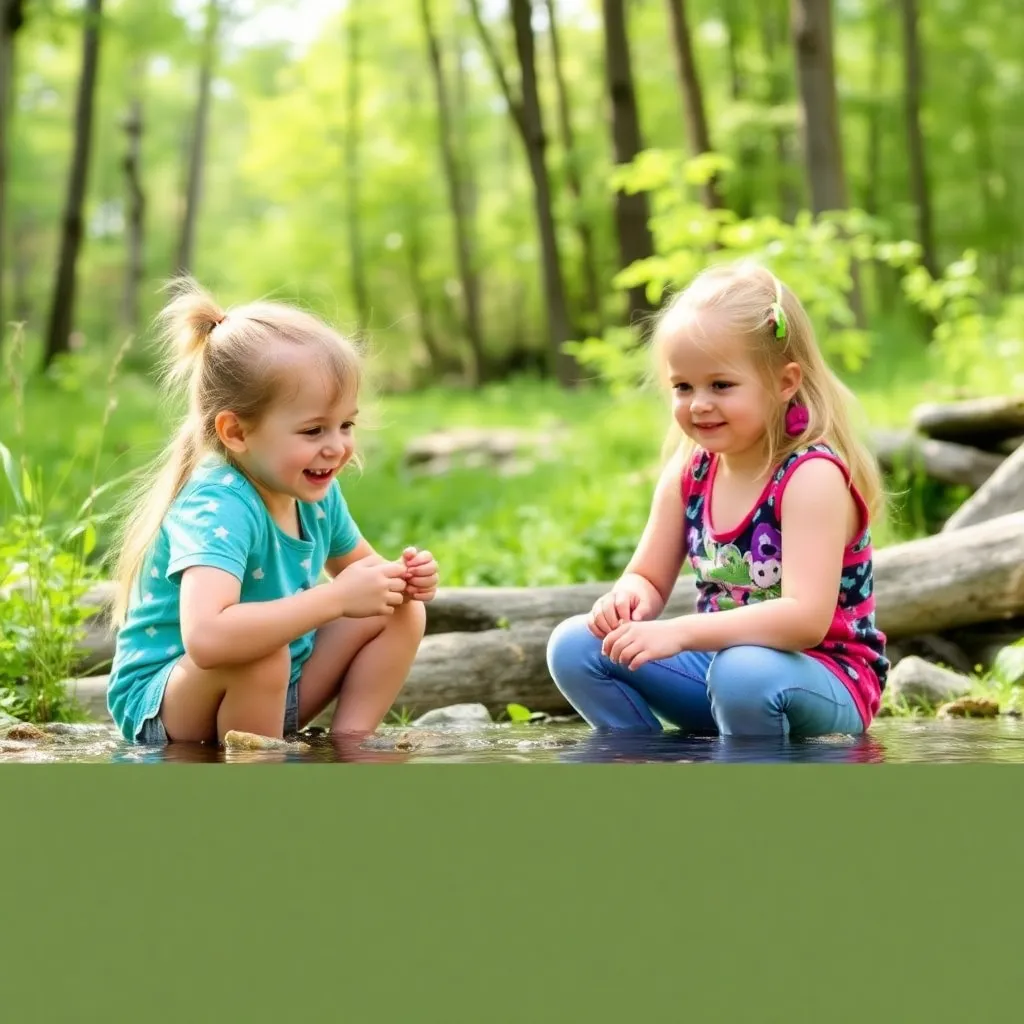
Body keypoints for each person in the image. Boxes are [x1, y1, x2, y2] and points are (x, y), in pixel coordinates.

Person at [546, 261, 888, 739]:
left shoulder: (810, 476)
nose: (699, 403)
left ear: (785, 382)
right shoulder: (691, 472)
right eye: (683, 386)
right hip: (722, 675)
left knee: (743, 672)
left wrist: (679, 632)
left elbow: (806, 619)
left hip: (823, 678)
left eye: (721, 385)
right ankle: (648, 772)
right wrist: (627, 601)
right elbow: (646, 576)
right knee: (575, 646)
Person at [107, 279, 438, 747]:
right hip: (171, 702)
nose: (337, 447)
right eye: (313, 429)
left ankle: (352, 745)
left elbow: (365, 573)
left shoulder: (314, 493)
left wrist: (403, 577)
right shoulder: (218, 504)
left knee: (401, 608)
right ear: (236, 432)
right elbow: (208, 638)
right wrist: (337, 599)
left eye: (345, 424)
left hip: (276, 682)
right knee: (262, 653)